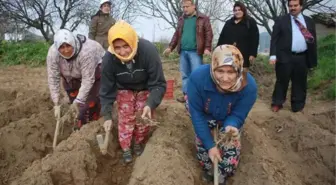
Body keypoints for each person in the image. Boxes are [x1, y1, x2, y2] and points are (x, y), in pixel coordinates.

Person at [186, 45, 257, 185]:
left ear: (239, 70)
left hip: (229, 117)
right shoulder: (197, 79)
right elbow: (197, 115)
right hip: (205, 115)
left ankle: (223, 174)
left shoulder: (249, 87)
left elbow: (238, 114)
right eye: (220, 71)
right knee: (205, 156)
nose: (225, 78)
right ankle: (208, 170)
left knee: (229, 157)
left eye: (231, 72)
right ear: (213, 68)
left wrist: (232, 125)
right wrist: (210, 145)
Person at [99, 21, 166, 163]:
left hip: (144, 87)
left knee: (143, 116)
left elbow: (158, 84)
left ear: (132, 42)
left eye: (125, 46)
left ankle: (138, 143)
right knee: (126, 118)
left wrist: (150, 104)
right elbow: (106, 90)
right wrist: (107, 116)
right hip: (124, 88)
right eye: (117, 48)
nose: (122, 52)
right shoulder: (108, 59)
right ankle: (125, 148)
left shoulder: (148, 50)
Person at [47, 29, 106, 130]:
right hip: (70, 75)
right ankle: (77, 122)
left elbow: (88, 80)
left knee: (88, 104)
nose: (66, 50)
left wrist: (79, 101)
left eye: (68, 46)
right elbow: (53, 77)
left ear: (73, 43)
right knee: (74, 103)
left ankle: (91, 123)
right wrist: (56, 103)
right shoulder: (53, 53)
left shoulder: (87, 51)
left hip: (94, 71)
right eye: (62, 47)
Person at [269, 0, 317, 113]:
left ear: (301, 6)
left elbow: (313, 41)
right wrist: (273, 55)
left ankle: (298, 105)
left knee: (300, 82)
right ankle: (277, 102)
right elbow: (274, 39)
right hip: (285, 56)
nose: (293, 8)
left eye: (295, 5)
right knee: (282, 80)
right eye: (290, 6)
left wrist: (312, 59)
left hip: (302, 57)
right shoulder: (281, 20)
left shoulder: (309, 21)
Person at [163, 0, 213, 103]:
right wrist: (170, 47)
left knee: (197, 75)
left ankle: (197, 97)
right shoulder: (181, 19)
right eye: (183, 7)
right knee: (185, 75)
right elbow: (177, 34)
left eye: (187, 6)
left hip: (196, 52)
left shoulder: (203, 18)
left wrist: (207, 48)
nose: (185, 9)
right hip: (183, 51)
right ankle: (186, 96)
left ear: (194, 6)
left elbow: (208, 34)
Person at [217, 1, 259, 72]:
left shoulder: (250, 22)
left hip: (244, 54)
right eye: (235, 10)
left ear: (243, 10)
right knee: (230, 73)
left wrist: (252, 54)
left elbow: (254, 39)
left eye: (239, 10)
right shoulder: (228, 23)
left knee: (242, 76)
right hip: (228, 54)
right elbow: (222, 37)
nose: (237, 12)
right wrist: (218, 50)